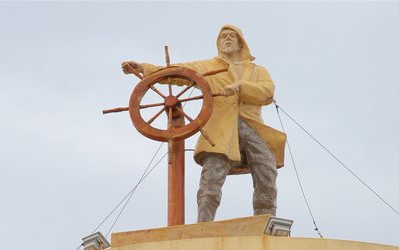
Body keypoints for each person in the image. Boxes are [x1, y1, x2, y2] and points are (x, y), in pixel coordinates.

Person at [122, 25, 286, 222]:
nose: (226, 39)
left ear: (241, 42)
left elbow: (267, 92)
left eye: (231, 36)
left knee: (267, 169)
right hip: (219, 129)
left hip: (250, 126)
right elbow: (178, 72)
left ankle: (265, 220)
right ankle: (204, 223)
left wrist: (240, 87)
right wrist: (144, 68)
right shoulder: (208, 66)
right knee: (211, 180)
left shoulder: (258, 71)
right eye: (223, 37)